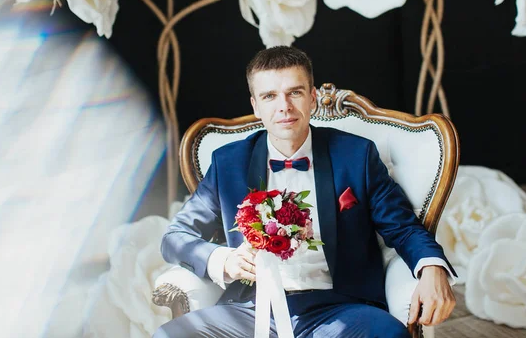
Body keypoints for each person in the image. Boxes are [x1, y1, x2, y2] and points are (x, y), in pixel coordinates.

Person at [153, 46, 456, 338]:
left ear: (312, 98)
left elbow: (402, 228)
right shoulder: (228, 162)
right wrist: (222, 260)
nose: (283, 106)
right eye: (269, 96)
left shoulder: (356, 155)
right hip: (252, 308)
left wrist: (431, 265)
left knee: (389, 334)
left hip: (340, 308)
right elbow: (175, 237)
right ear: (255, 106)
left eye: (294, 92)